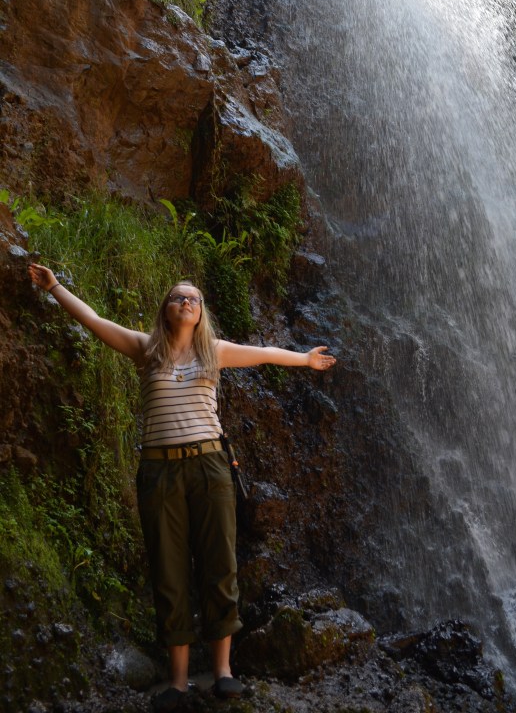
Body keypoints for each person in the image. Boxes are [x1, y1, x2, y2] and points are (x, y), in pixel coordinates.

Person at [28, 263, 336, 712]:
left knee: (219, 563)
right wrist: (54, 285)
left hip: (210, 466)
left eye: (193, 298)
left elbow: (266, 352)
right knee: (169, 569)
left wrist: (305, 359)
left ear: (201, 311)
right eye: (178, 297)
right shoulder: (145, 349)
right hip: (159, 471)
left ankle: (223, 672)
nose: (187, 301)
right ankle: (177, 680)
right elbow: (94, 320)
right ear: (166, 309)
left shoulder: (214, 351)